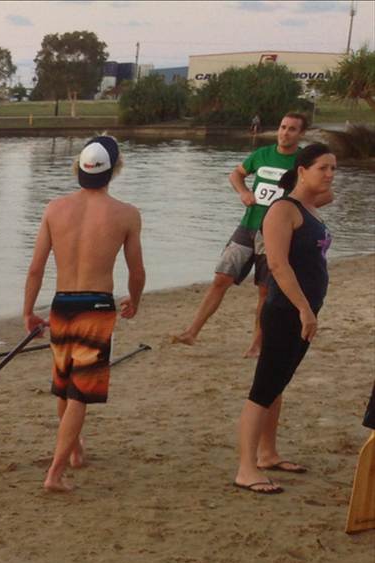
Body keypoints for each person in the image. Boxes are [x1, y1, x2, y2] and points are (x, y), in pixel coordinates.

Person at [22, 135, 145, 493]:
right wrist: (135, 299)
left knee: (65, 386)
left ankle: (74, 452)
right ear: (114, 169)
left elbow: (35, 268)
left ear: (79, 168)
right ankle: (55, 473)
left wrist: (28, 310)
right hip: (96, 307)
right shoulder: (126, 213)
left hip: (62, 304)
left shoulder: (54, 209)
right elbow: (136, 270)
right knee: (79, 394)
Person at [233, 143, 336, 495]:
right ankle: (246, 468)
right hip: (284, 311)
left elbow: (311, 258)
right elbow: (277, 265)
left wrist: (310, 308)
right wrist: (304, 308)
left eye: (333, 168)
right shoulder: (282, 210)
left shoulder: (310, 208)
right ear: (302, 170)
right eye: (323, 167)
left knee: (278, 383)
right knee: (264, 387)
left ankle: (267, 453)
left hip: (304, 309)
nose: (330, 174)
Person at [171, 112, 307, 355]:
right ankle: (191, 332)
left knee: (265, 290)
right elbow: (235, 175)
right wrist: (243, 192)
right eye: (283, 127)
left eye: (292, 129)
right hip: (247, 227)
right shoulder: (262, 154)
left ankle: (257, 343)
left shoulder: (303, 162)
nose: (285, 133)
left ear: (301, 134)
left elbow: (322, 194)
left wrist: (296, 211)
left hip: (275, 234)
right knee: (221, 278)